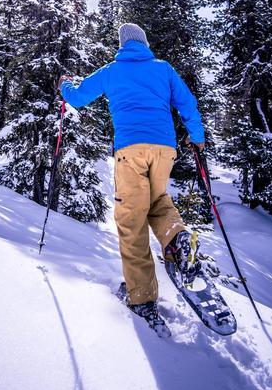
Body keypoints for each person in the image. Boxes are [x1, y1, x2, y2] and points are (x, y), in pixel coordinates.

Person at [59, 22, 206, 331]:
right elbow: (187, 103)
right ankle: (177, 238)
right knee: (158, 203)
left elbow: (77, 98)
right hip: (164, 149)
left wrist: (65, 85)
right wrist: (197, 136)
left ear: (123, 44)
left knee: (131, 220)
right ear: (144, 42)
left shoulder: (112, 70)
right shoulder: (163, 68)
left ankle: (142, 298)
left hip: (130, 151)